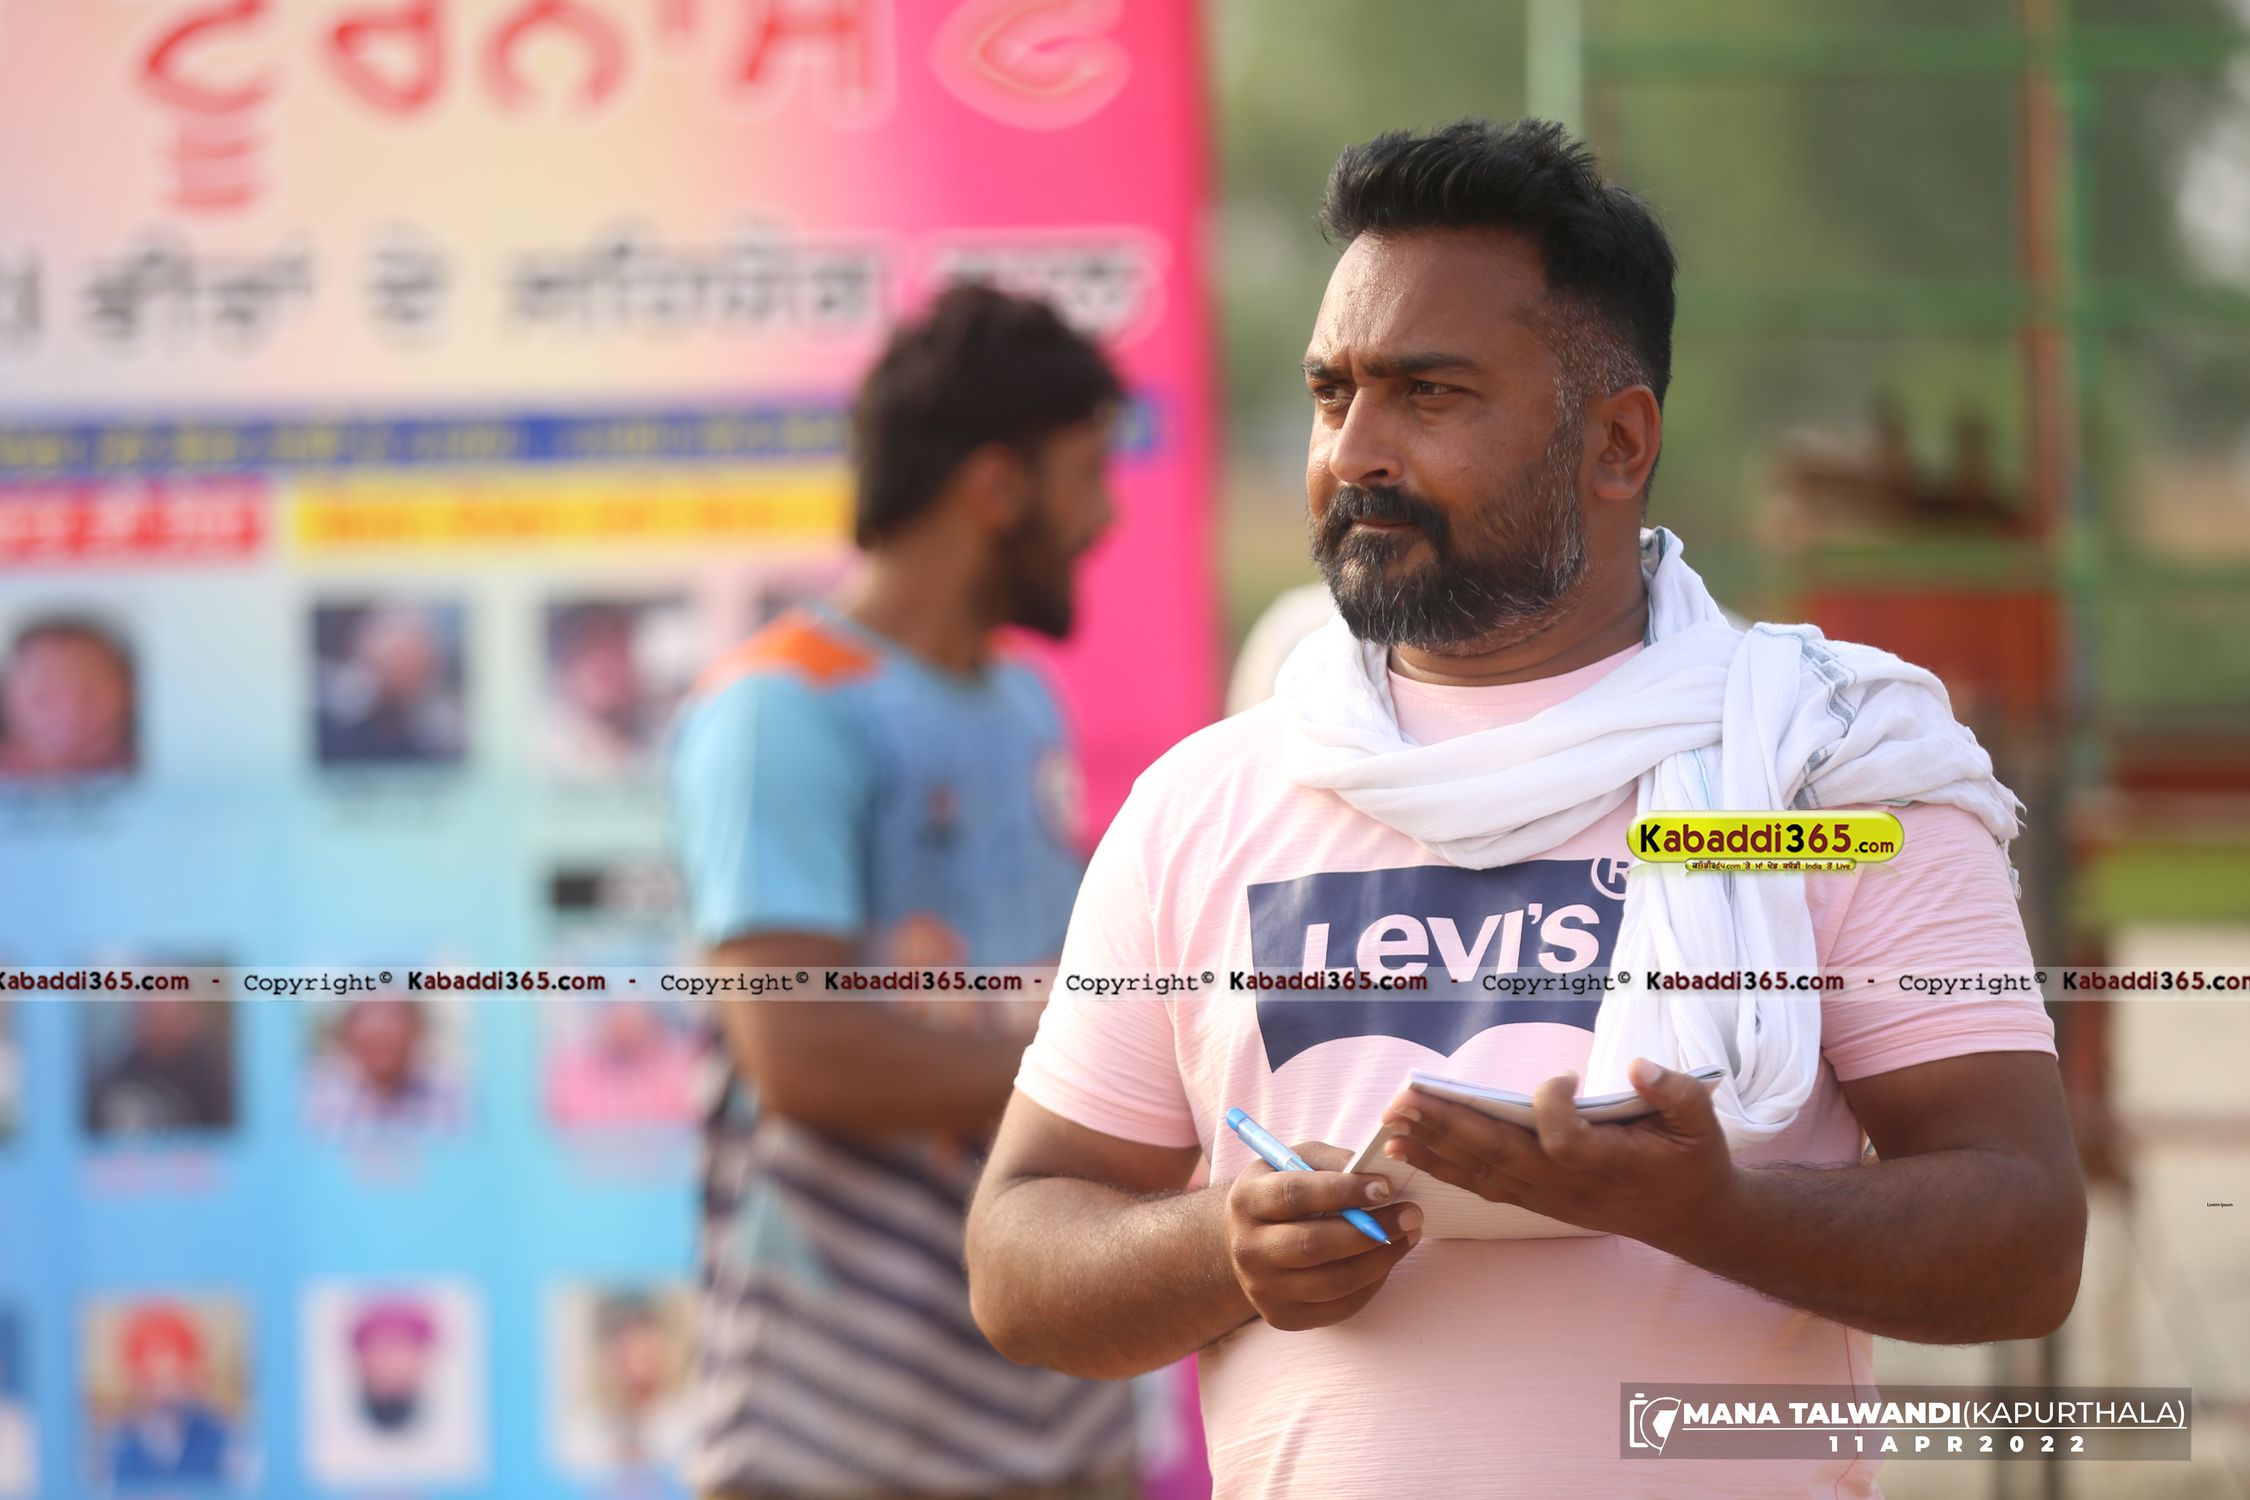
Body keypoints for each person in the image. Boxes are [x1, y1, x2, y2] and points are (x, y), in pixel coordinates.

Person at [964, 120, 2088, 1499]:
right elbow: (1019, 1252)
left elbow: (2025, 1240)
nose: (1354, 452)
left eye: (1428, 395)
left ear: (1616, 443)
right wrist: (1223, 1247)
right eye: (1331, 394)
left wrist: (1712, 1214)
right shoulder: (1205, 804)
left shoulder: (1821, 775)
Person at [669, 284, 1138, 1498]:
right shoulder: (780, 710)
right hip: (839, 1427)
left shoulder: (1023, 702)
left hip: (1049, 1398)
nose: (1105, 517)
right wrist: (1101, 1074)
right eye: (1088, 473)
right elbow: (802, 1054)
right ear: (996, 487)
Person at [105, 1304, 235, 1486]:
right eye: (153, 1381)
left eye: (175, 1377)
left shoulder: (221, 1438)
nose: (165, 1392)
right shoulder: (119, 1444)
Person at [0, 617, 135, 779]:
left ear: (127, 694)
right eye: (43, 698)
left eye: (88, 697)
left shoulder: (147, 765)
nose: (67, 713)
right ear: (7, 698)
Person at [305, 998, 465, 1133]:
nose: (380, 1030)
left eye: (392, 1017)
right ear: (347, 1033)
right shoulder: (317, 1102)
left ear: (416, 1029)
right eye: (367, 1018)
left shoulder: (450, 1099)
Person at [84, 998, 236, 1137]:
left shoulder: (216, 1074)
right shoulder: (121, 1073)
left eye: (162, 1014)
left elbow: (228, 1138)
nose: (154, 1023)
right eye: (147, 1014)